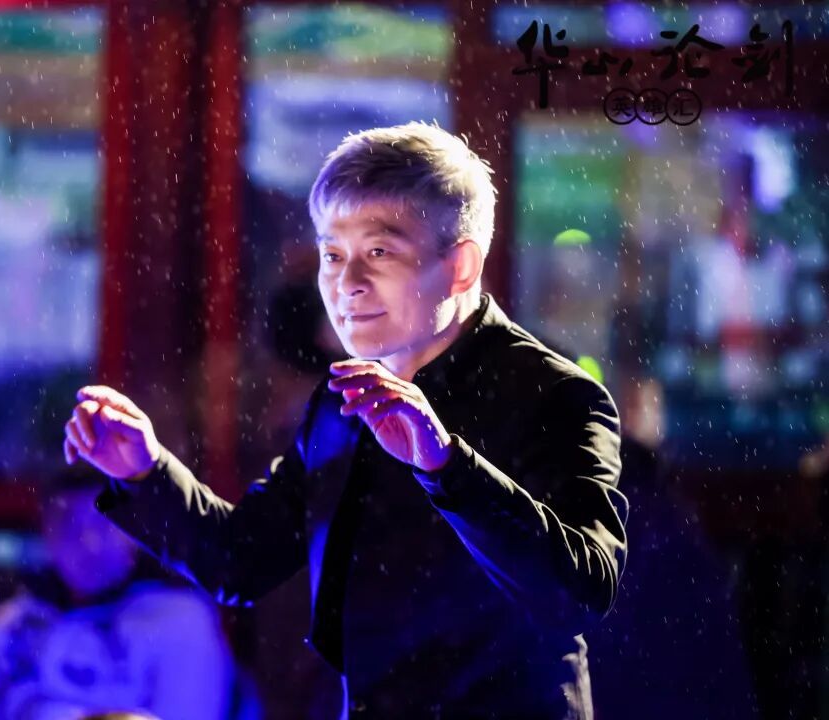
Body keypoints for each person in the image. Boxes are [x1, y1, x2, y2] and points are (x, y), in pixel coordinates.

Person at [64, 122, 629, 718]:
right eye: (332, 255)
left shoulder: (553, 394)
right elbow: (242, 560)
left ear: (461, 266)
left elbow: (581, 591)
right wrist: (144, 469)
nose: (346, 284)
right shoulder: (342, 399)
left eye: (379, 252)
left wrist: (445, 463)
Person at [0, 466, 238, 720]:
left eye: (103, 524)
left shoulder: (180, 622)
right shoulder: (11, 625)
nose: (88, 542)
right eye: (69, 524)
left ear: (135, 531)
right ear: (46, 530)